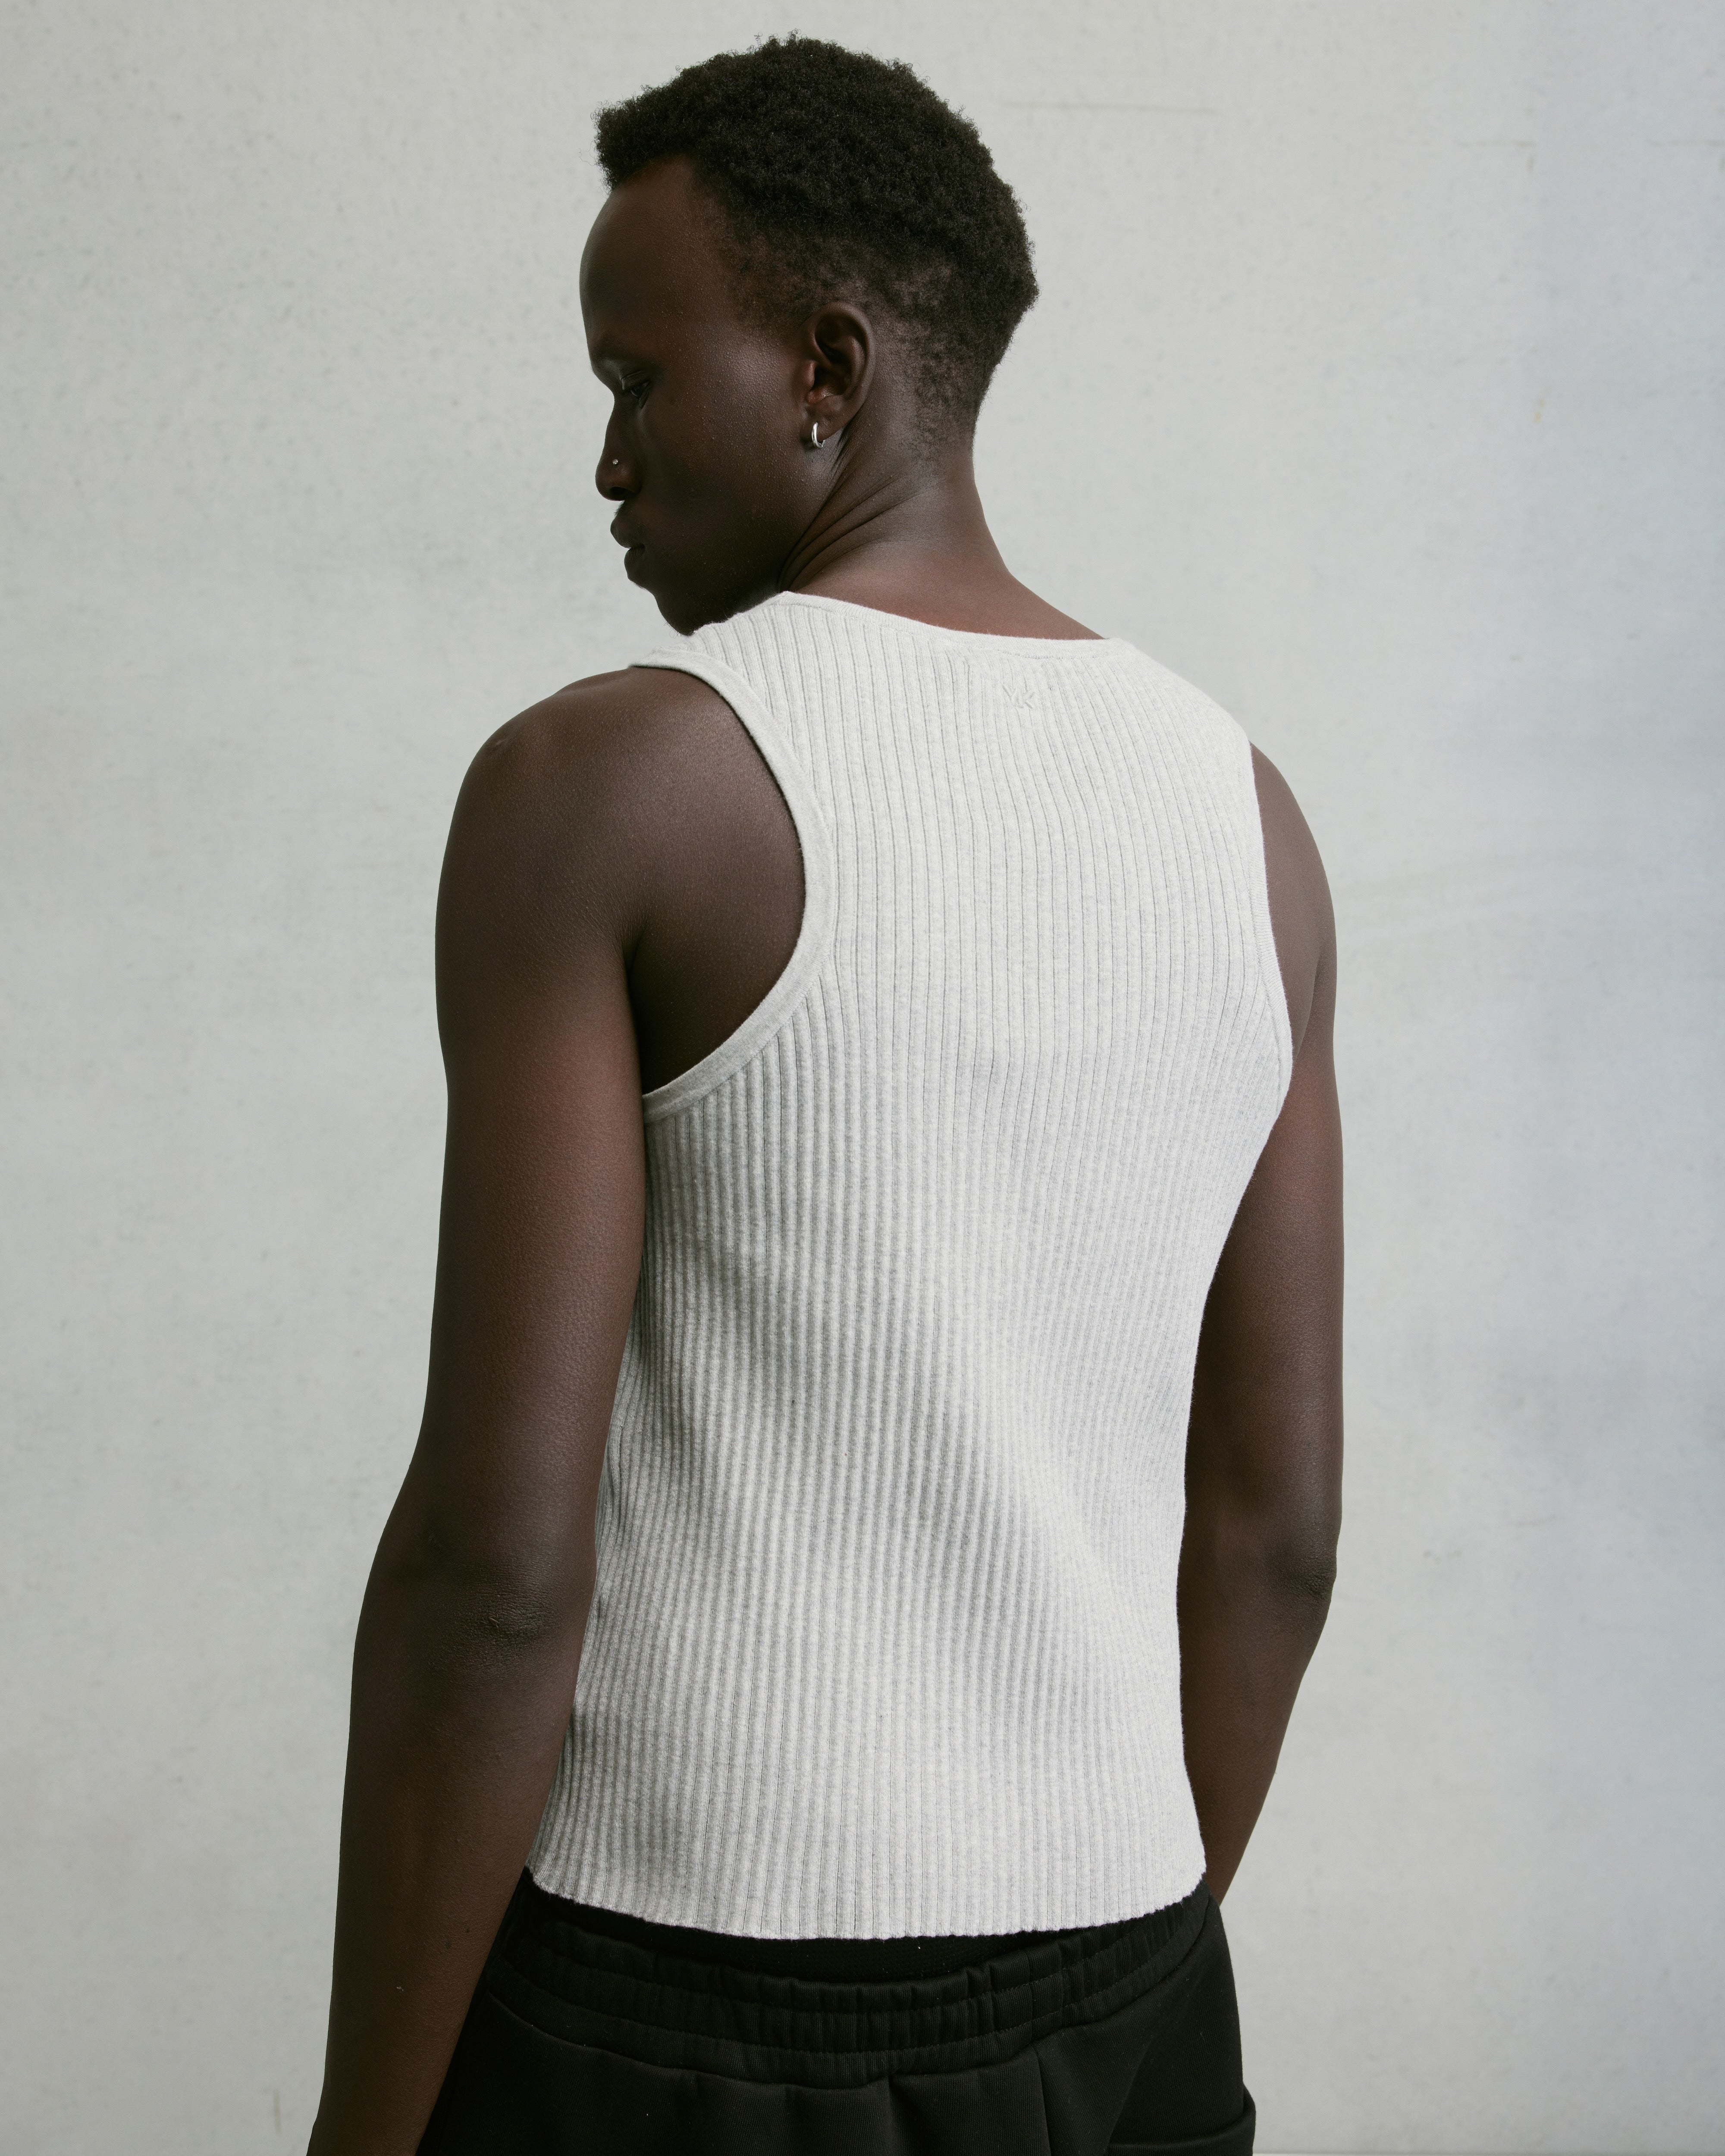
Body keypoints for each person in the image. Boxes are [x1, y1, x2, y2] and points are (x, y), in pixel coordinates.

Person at [306, 34, 1342, 2156]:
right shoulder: (1248, 818)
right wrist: (1112, 1964)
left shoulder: (608, 782)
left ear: (828, 369)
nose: (607, 459)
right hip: (1130, 1998)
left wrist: (362, 2133)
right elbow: (1279, 1528)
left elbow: (495, 1567)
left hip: (679, 2016)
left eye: (634, 379)